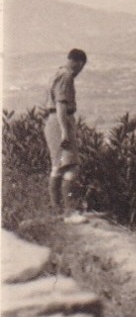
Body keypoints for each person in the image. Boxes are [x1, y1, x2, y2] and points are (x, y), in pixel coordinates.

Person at [44, 48, 88, 222]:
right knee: (71, 166)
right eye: (81, 67)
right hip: (60, 120)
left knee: (58, 166)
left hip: (52, 120)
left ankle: (57, 211)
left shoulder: (57, 73)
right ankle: (69, 213)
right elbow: (61, 105)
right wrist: (64, 131)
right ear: (78, 63)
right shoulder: (67, 76)